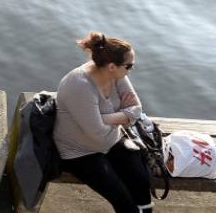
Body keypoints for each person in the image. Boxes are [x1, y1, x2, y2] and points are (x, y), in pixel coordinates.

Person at [53, 31, 151, 213]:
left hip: (111, 140)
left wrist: (103, 118)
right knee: (125, 204)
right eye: (129, 66)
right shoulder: (80, 85)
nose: (131, 70)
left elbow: (136, 108)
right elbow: (97, 135)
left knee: (142, 185)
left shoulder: (116, 75)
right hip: (79, 152)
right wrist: (124, 117)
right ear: (112, 66)